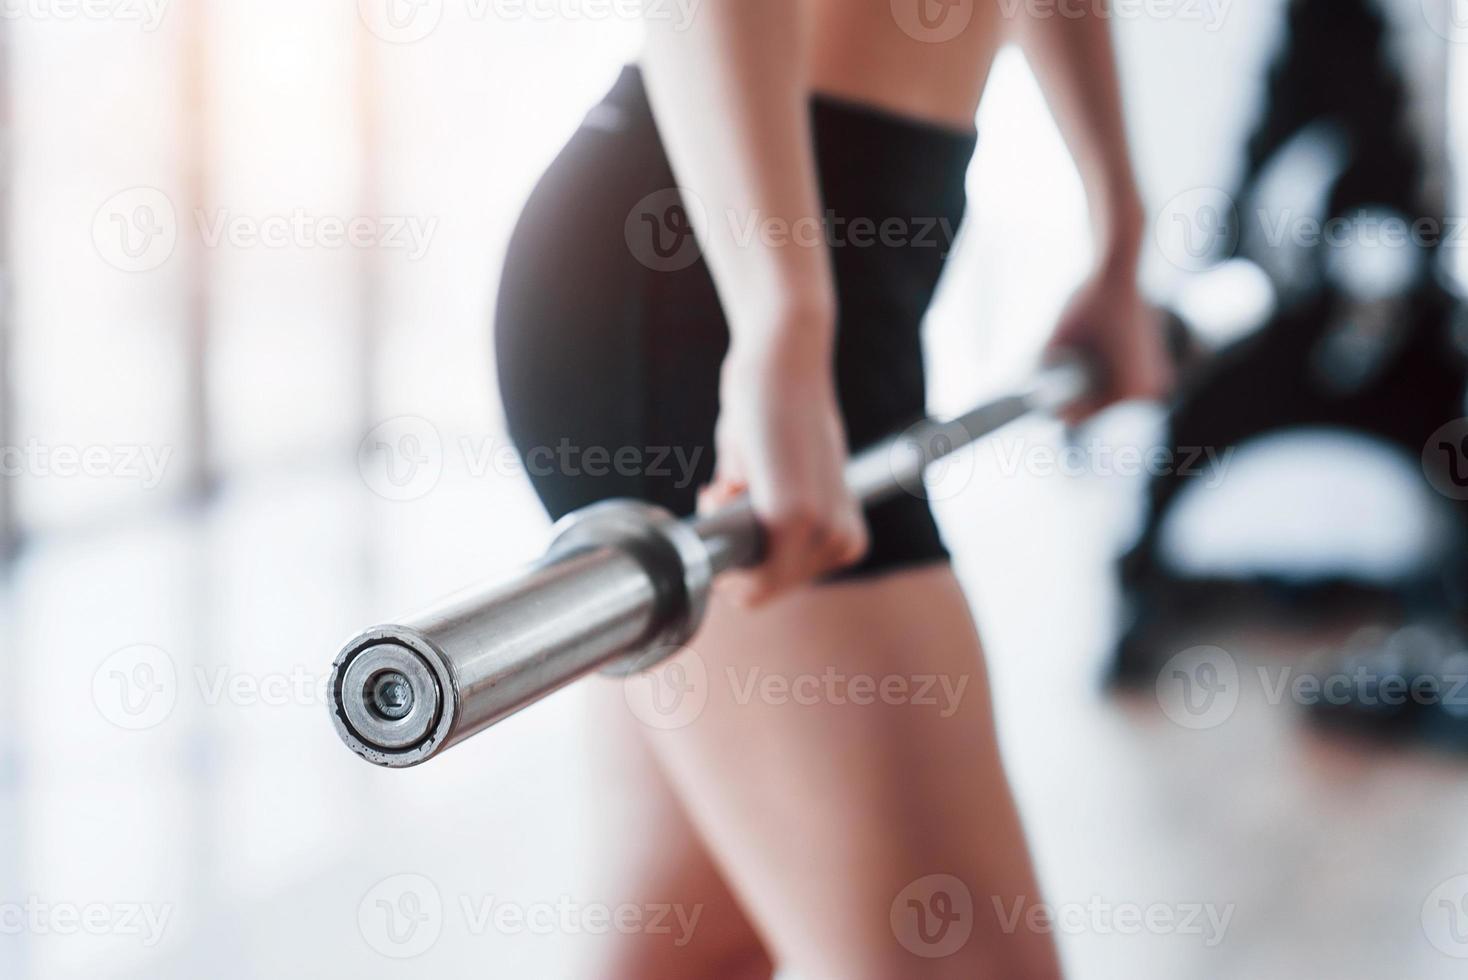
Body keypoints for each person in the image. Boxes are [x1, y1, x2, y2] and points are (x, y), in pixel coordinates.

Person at [494, 2, 1171, 976]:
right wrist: (780, 321)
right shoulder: (773, 314)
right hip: (706, 281)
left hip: (830, 255)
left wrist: (1119, 237)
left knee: (700, 946)